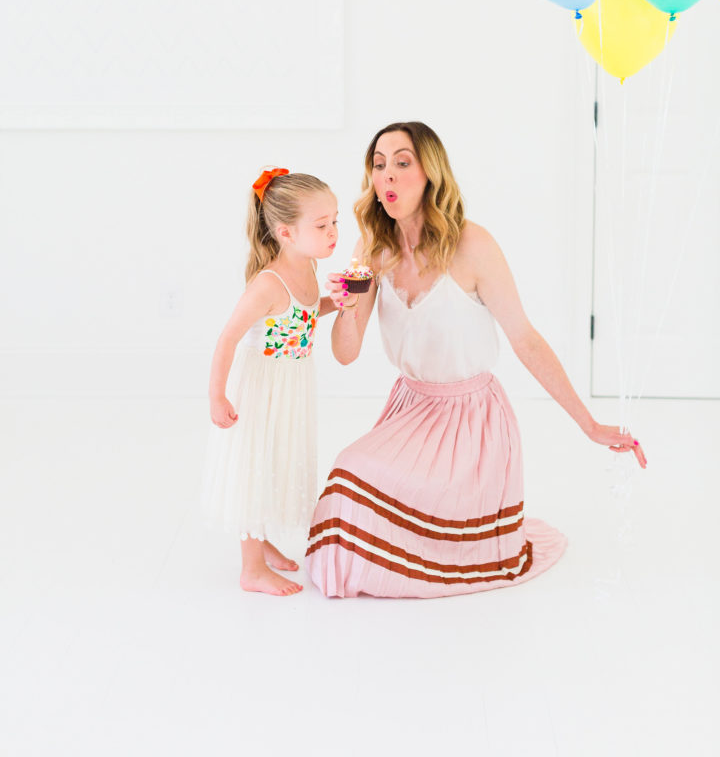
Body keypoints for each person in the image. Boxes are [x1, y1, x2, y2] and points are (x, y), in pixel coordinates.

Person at [305, 122, 647, 598]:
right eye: (379, 164)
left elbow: (526, 339)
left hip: (473, 424)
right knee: (346, 479)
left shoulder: (472, 245)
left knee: (379, 503)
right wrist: (347, 299)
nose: (389, 176)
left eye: (403, 163)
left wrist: (588, 424)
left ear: (430, 174)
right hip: (410, 412)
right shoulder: (372, 249)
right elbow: (346, 353)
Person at [203, 168, 338, 596]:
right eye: (322, 225)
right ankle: (251, 569)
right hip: (261, 389)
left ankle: (265, 546)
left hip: (291, 385)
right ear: (286, 232)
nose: (333, 231)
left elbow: (305, 314)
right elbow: (227, 337)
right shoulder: (268, 283)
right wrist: (216, 395)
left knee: (277, 462)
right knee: (254, 470)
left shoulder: (310, 266)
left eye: (335, 221)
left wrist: (339, 301)